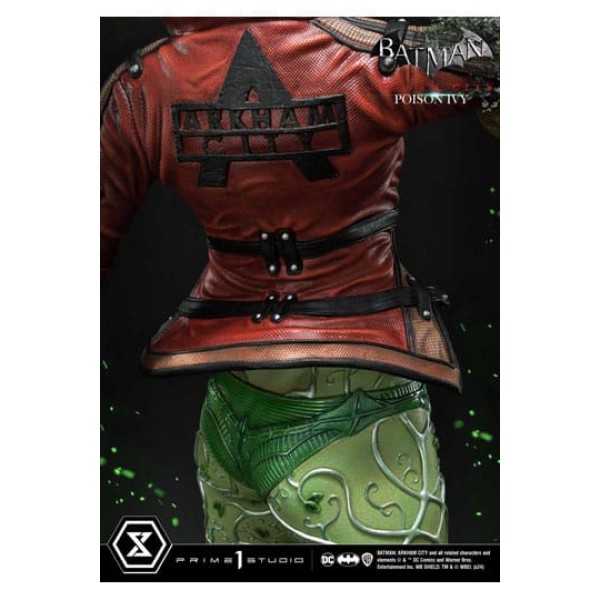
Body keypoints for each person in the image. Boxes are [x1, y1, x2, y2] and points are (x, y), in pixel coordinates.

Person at [101, 17, 499, 544]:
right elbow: (497, 60)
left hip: (230, 410)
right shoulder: (374, 57)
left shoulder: (144, 83)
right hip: (357, 406)